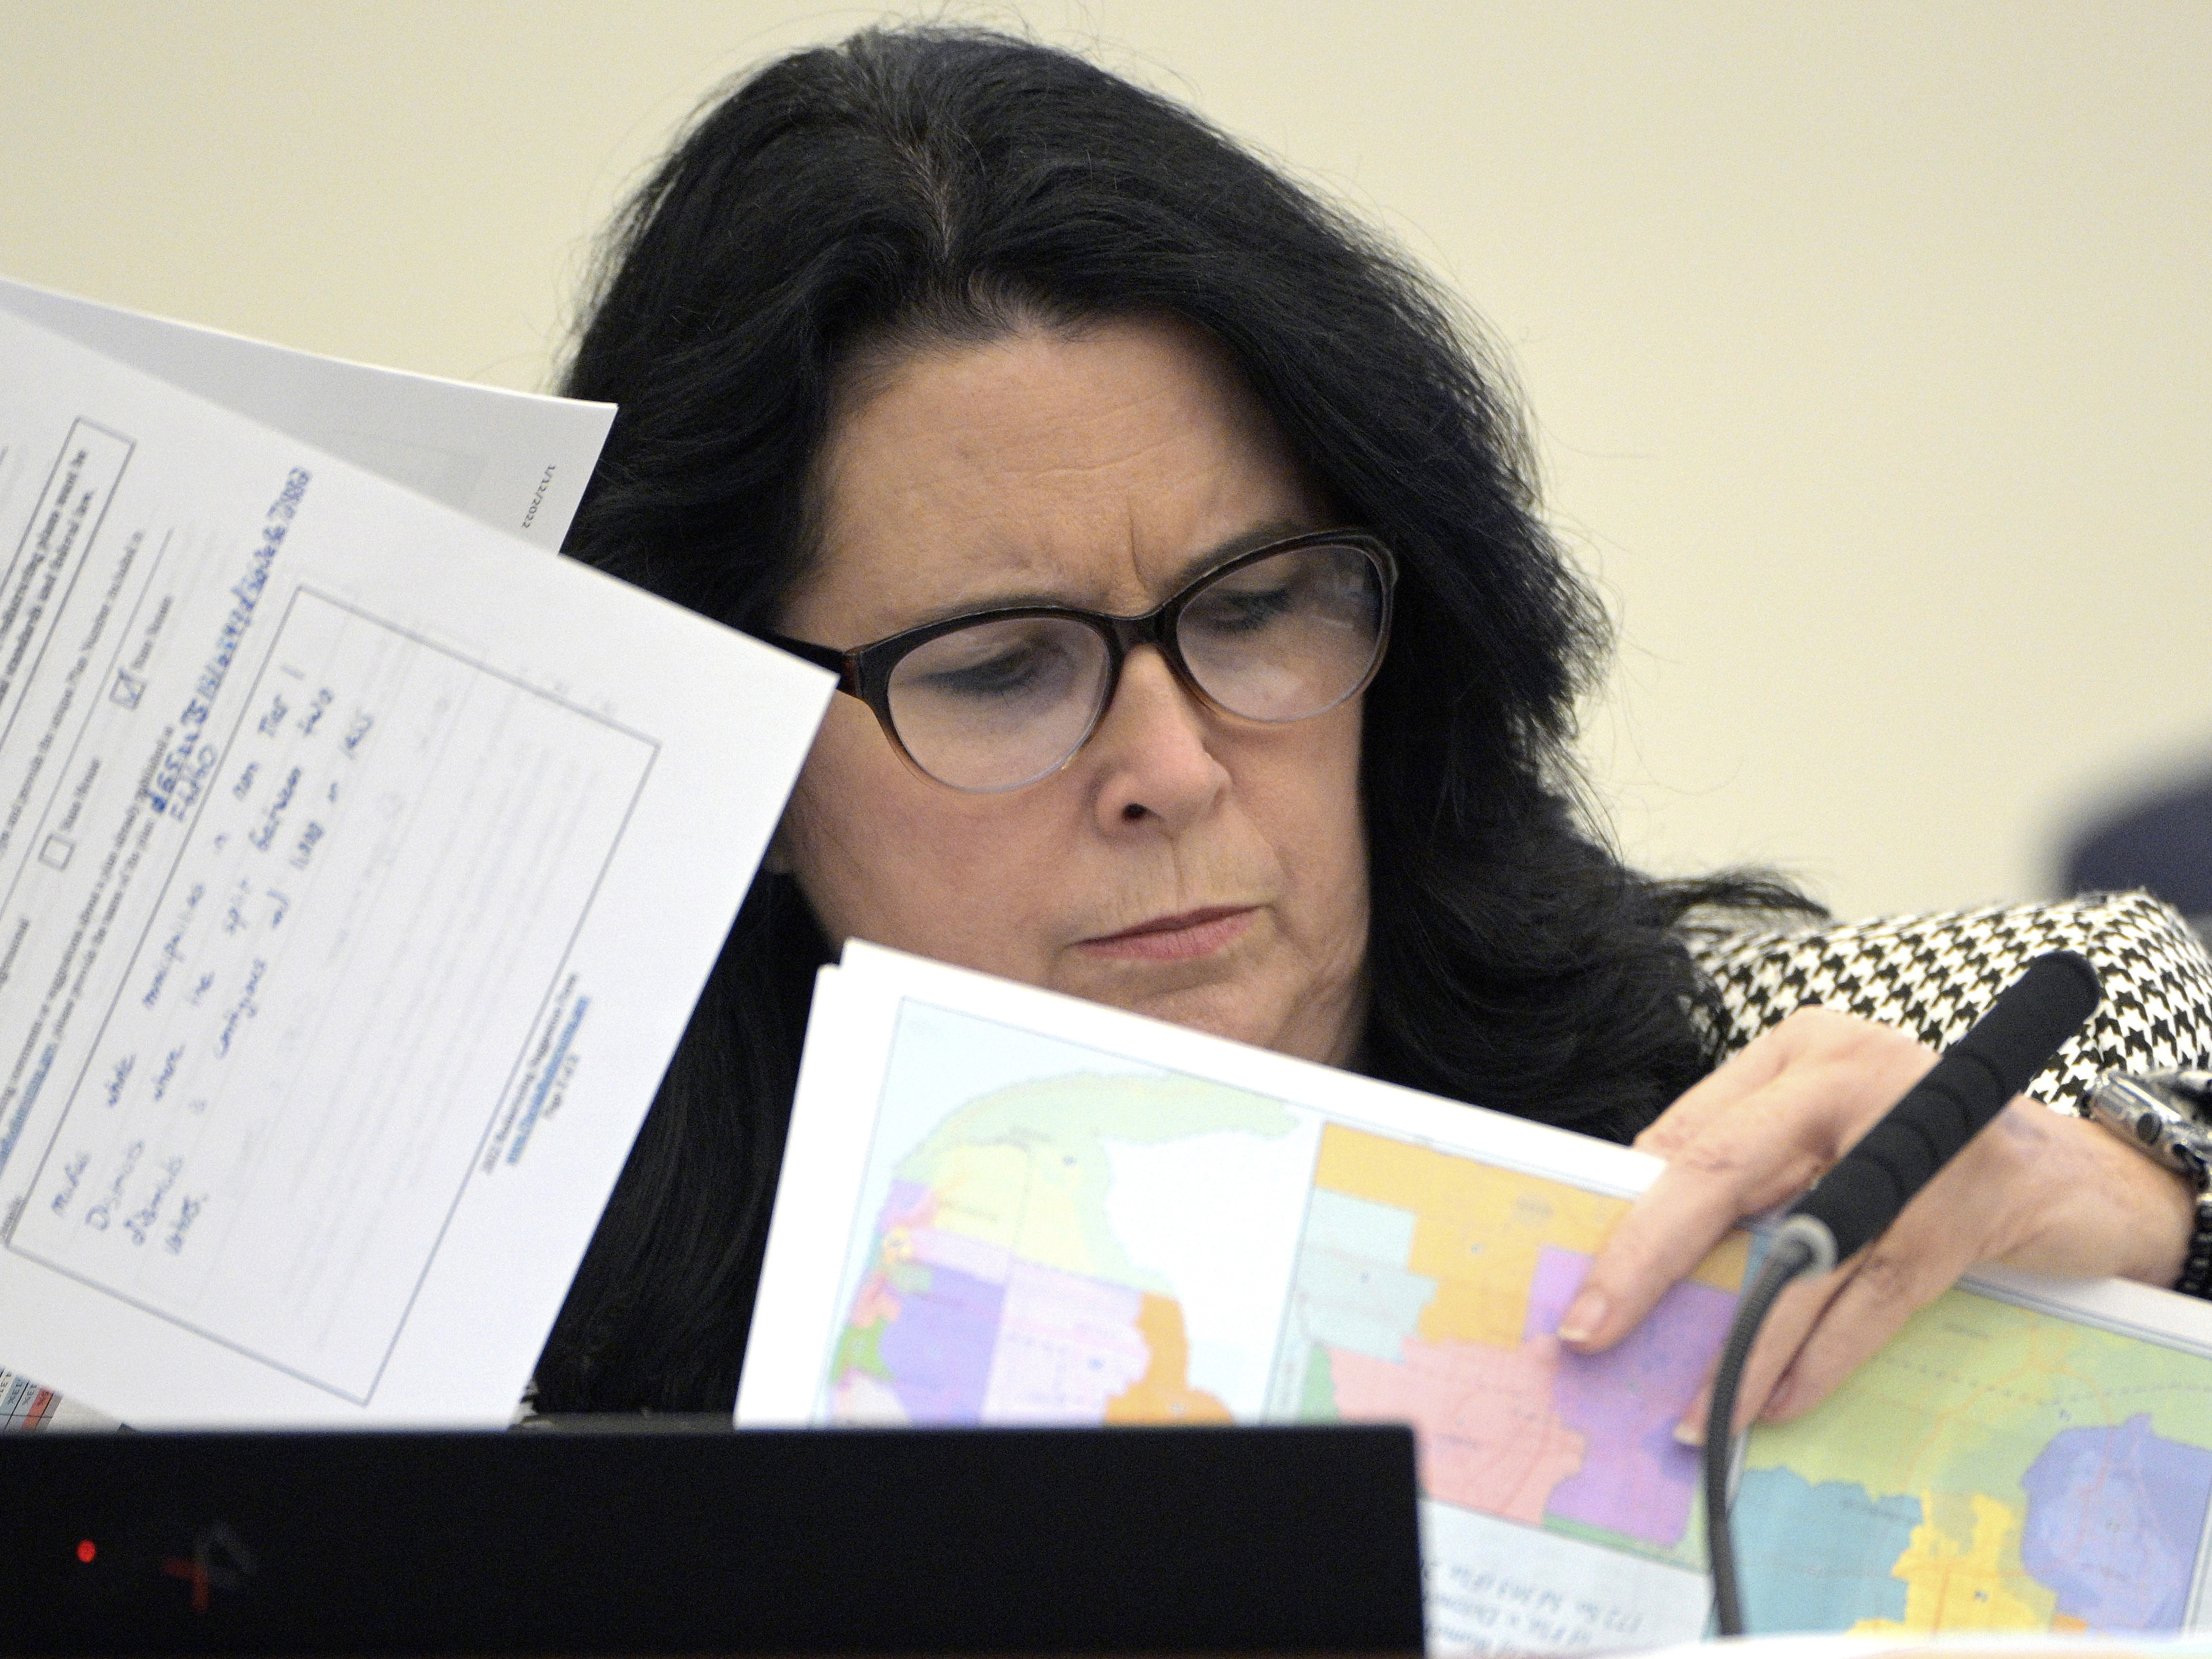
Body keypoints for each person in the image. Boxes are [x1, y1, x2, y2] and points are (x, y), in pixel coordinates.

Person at [531, 25, 2211, 1416]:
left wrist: (2149, 1199)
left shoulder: (1793, 1092)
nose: (1172, 769)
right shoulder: (530, 1328)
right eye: (999, 669)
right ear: (728, 740)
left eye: (1258, 607)